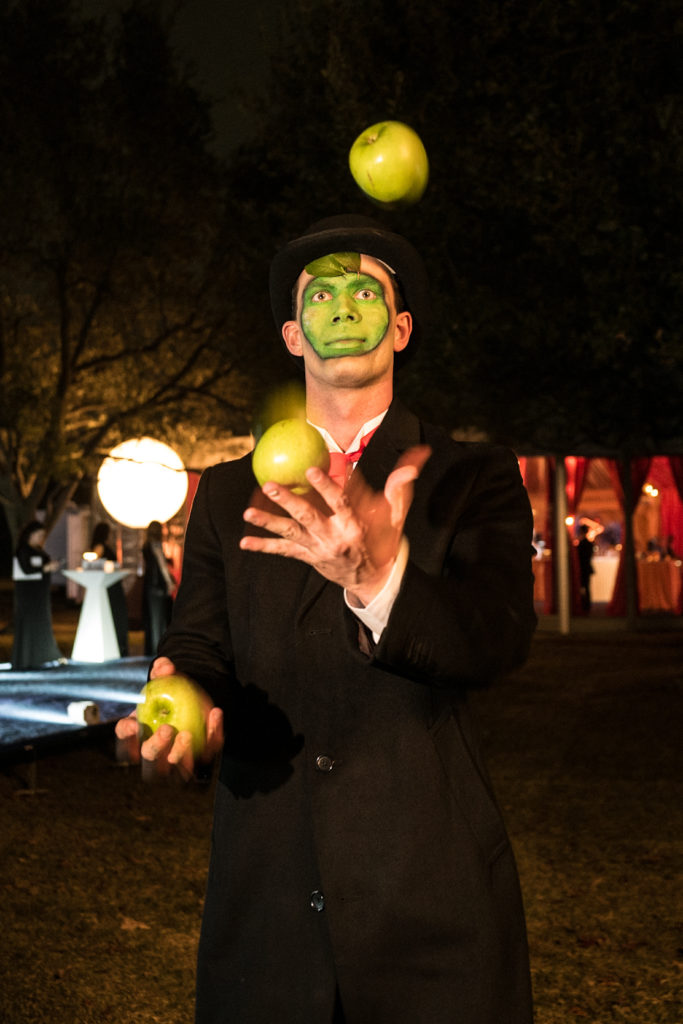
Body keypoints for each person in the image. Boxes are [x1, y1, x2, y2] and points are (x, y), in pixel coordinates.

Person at [117, 215, 538, 1023]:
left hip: (429, 902)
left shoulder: (470, 476)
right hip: (266, 904)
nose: (343, 307)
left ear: (401, 327)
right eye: (320, 295)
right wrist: (188, 711)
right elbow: (200, 641)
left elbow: (496, 638)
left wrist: (382, 578)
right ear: (290, 334)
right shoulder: (221, 489)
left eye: (364, 291)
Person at [11, 519, 64, 669]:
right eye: (39, 534)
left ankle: (41, 656)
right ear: (31, 534)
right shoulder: (23, 549)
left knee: (41, 623)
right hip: (29, 594)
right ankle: (27, 657)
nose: (41, 538)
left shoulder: (38, 549)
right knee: (29, 624)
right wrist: (46, 568)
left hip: (40, 593)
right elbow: (27, 569)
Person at [89, 521, 129, 657]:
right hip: (110, 586)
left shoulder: (103, 546)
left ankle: (120, 645)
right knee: (116, 614)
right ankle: (119, 645)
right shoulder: (100, 546)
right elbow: (95, 563)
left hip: (112, 584)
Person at [141, 520, 175, 656]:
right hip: (157, 587)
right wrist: (169, 583)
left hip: (150, 586)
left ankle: (154, 650)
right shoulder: (155, 545)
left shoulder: (146, 545)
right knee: (159, 620)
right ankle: (159, 651)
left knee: (153, 620)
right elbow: (162, 566)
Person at [577, 523, 595, 612]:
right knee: (586, 587)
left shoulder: (582, 544)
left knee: (583, 586)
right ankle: (586, 605)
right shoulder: (589, 543)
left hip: (582, 567)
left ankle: (585, 605)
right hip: (587, 567)